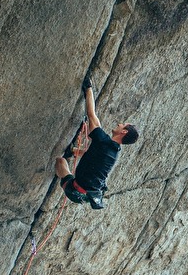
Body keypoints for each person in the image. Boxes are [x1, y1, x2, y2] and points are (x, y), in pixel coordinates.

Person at [54, 76, 139, 210]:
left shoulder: (103, 141)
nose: (119, 124)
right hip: (88, 195)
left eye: (123, 125)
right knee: (82, 155)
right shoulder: (114, 151)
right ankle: (73, 153)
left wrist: (88, 89)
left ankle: (65, 175)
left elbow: (91, 114)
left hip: (75, 191)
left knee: (60, 161)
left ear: (124, 132)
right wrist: (75, 151)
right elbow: (92, 155)